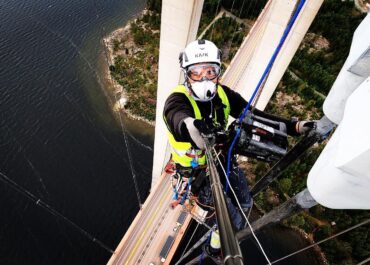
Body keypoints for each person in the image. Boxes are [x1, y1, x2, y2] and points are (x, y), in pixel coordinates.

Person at [163, 39, 314, 230]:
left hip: (221, 159)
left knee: (245, 204)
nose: (204, 79)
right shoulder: (177, 100)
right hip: (196, 174)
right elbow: (177, 118)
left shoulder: (224, 95)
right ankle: (216, 247)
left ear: (218, 73)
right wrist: (193, 126)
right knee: (232, 220)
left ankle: (217, 243)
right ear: (187, 75)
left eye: (210, 71)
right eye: (197, 72)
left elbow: (255, 115)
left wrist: (294, 127)